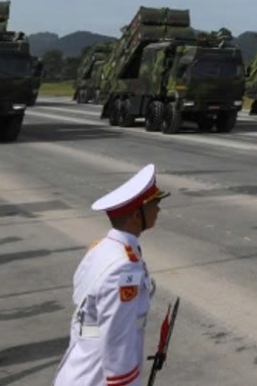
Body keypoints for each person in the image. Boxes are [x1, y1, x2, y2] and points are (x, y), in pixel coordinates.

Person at [52, 163, 170, 386]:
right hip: (96, 377)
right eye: (154, 204)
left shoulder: (103, 248)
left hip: (81, 364)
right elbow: (118, 338)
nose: (158, 209)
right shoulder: (123, 267)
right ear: (136, 215)